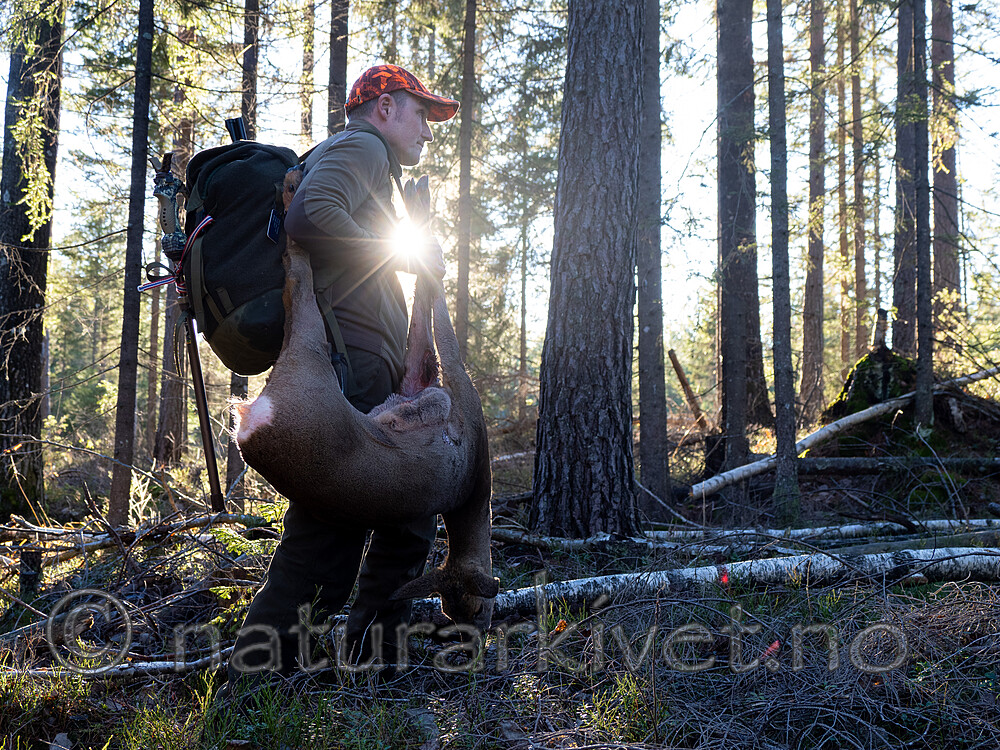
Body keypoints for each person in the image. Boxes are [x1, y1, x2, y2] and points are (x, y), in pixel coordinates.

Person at [225, 64, 459, 689]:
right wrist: (401, 254)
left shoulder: (374, 163)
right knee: (326, 537)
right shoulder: (361, 146)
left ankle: (377, 668)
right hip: (344, 363)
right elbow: (309, 218)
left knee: (407, 517)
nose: (428, 131)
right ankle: (250, 689)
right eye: (421, 113)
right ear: (384, 108)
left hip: (361, 364)